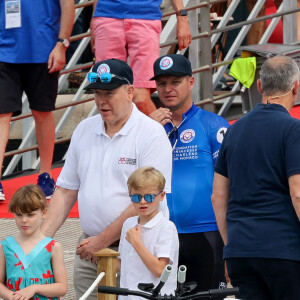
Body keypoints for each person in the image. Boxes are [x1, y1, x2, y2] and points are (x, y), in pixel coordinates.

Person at [41, 58, 173, 300]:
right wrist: (40, 242)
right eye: (97, 93)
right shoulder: (84, 129)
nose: (102, 100)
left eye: (109, 93)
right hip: (90, 250)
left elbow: (144, 202)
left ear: (130, 92)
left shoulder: (151, 134)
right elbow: (66, 190)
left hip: (136, 250)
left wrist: (100, 242)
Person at [211, 55, 300, 300]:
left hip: (241, 250)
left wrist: (231, 245)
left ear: (259, 86)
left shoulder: (233, 130)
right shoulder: (293, 129)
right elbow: (298, 193)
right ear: (295, 87)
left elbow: (218, 197)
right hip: (285, 250)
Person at [150, 54, 229, 293]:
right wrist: (148, 130)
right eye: (162, 83)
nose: (168, 89)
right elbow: (129, 176)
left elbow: (230, 184)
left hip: (205, 234)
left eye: (175, 82)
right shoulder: (149, 128)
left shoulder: (213, 125)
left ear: (191, 82)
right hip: (161, 235)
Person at [0, 0, 75, 200]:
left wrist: (62, 44)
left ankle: (45, 174)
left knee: (42, 112)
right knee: (2, 114)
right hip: (4, 51)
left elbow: (68, 5)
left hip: (44, 50)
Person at [79, 167, 179, 298]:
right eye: (137, 197)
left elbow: (160, 270)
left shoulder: (166, 227)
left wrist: (136, 242)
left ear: (161, 196)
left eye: (149, 197)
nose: (143, 202)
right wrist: (98, 254)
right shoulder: (128, 224)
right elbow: (124, 264)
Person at [90, 0, 192, 115]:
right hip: (106, 17)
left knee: (140, 98)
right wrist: (93, 24)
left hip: (145, 17)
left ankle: (164, 132)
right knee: (108, 96)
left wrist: (182, 17)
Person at [0, 184, 67, 300]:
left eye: (30, 215)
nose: (24, 220)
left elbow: (62, 288)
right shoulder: (5, 246)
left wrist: (35, 288)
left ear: (44, 212)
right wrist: (10, 295)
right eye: (19, 215)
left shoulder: (53, 247)